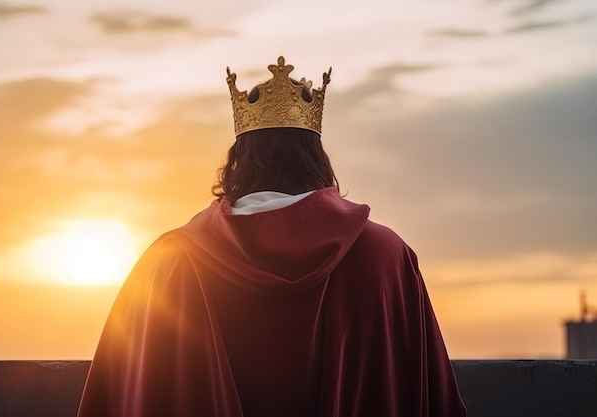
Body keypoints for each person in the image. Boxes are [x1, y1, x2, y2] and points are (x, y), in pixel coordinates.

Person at [77, 56, 467, 417]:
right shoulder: (387, 257)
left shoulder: (167, 263)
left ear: (238, 159)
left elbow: (120, 397)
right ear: (317, 158)